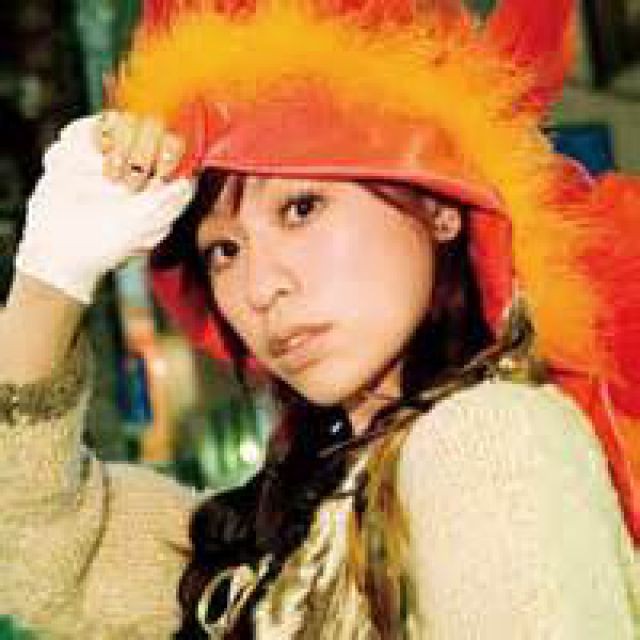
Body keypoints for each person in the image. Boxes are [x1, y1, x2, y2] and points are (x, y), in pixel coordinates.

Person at [2, 0, 640, 638]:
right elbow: (45, 552)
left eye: (301, 208)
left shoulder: (486, 439)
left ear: (439, 205)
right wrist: (51, 276)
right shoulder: (288, 525)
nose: (261, 288)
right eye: (224, 251)